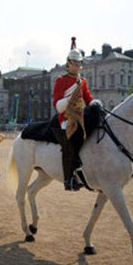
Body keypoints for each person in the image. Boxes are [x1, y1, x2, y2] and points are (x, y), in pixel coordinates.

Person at [52, 37, 100, 191]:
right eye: (75, 62)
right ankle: (69, 178)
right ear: (69, 63)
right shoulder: (61, 80)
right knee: (72, 141)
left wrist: (95, 104)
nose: (78, 65)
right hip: (66, 117)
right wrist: (68, 100)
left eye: (80, 62)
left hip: (80, 116)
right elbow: (57, 103)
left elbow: (88, 98)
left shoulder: (83, 82)